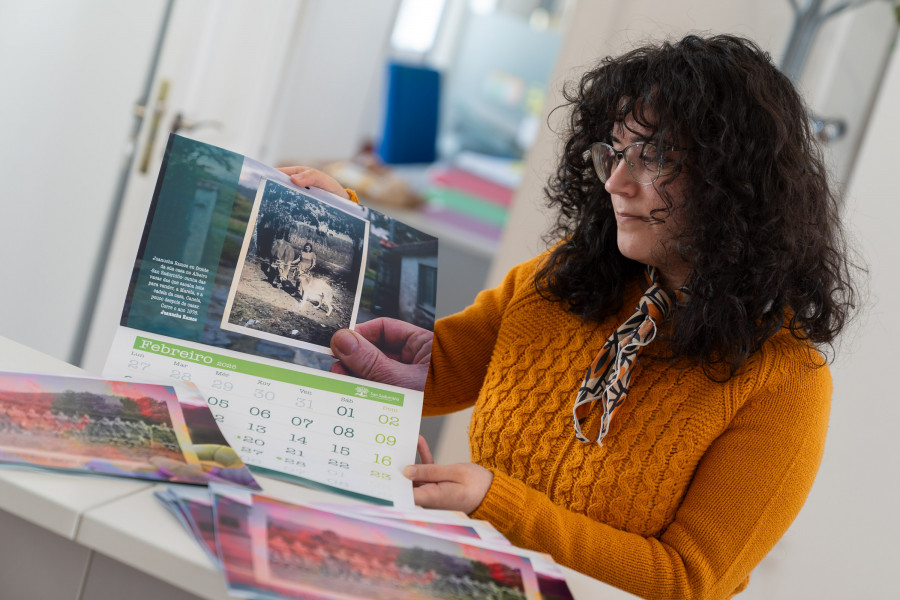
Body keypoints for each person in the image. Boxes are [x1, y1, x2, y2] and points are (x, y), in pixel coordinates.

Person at [282, 35, 859, 600]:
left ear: (735, 180)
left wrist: (495, 502)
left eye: (653, 156)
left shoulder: (787, 383)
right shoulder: (561, 275)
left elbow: (688, 580)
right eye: (613, 151)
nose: (616, 182)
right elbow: (432, 372)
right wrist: (345, 236)